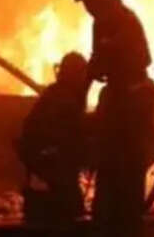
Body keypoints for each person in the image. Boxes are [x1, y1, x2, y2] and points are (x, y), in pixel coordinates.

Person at [74, 0, 154, 237]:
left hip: (134, 98)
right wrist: (81, 95)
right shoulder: (101, 22)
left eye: (89, 2)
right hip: (117, 95)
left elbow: (142, 58)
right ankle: (108, 216)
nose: (87, 9)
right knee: (109, 161)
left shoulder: (124, 19)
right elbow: (96, 62)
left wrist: (111, 55)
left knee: (128, 164)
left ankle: (126, 221)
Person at [15, 51, 89, 227]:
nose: (84, 79)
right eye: (82, 73)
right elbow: (72, 136)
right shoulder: (65, 99)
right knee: (69, 215)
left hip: (42, 166)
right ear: (74, 75)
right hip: (52, 168)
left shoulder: (55, 92)